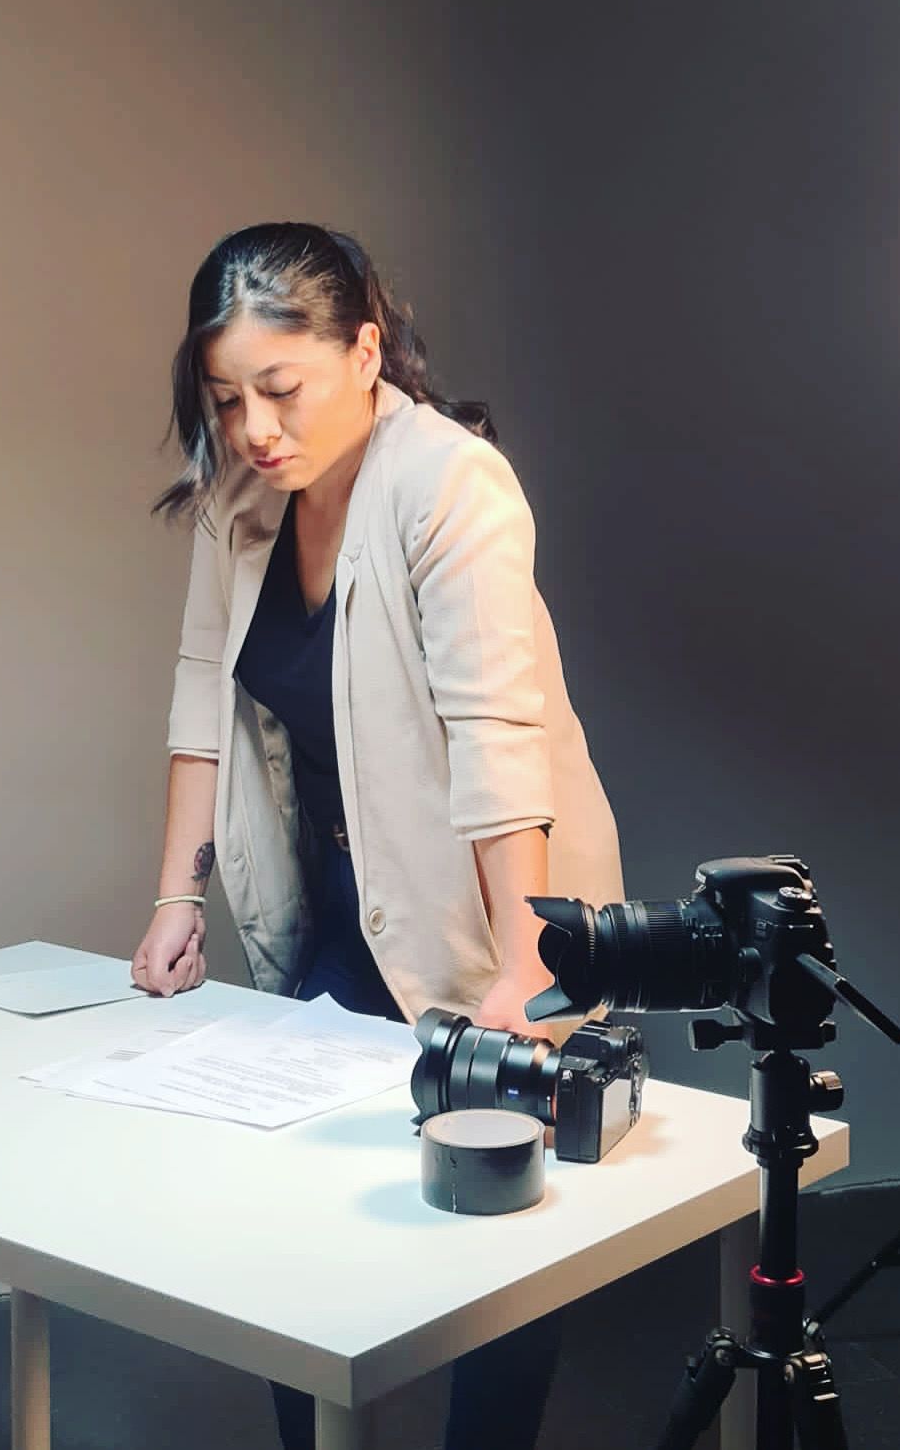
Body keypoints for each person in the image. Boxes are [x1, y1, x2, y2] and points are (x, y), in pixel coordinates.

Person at [131, 222, 624, 1450]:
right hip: (344, 901)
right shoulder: (242, 495)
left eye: (280, 389)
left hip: (496, 902)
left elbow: (498, 734)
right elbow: (200, 697)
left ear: (363, 351)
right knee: (292, 1213)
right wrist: (176, 900)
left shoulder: (451, 481)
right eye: (226, 399)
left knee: (499, 1222)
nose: (255, 429)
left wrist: (527, 966)